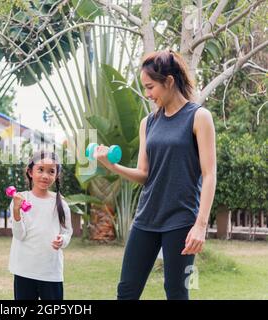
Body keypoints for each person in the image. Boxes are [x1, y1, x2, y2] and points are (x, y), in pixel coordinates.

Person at [96, 49, 216, 300]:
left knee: (176, 293)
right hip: (146, 218)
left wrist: (200, 225)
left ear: (169, 81)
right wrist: (112, 166)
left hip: (181, 221)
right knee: (126, 291)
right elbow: (144, 173)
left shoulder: (199, 117)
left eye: (151, 87)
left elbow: (209, 173)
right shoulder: (148, 122)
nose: (148, 94)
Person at [9, 151, 73, 300]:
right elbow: (19, 235)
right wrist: (16, 211)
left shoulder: (61, 203)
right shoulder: (19, 199)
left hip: (50, 272)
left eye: (51, 171)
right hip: (24, 270)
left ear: (56, 175)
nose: (45, 176)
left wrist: (62, 240)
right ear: (30, 172)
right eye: (40, 170)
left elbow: (67, 232)